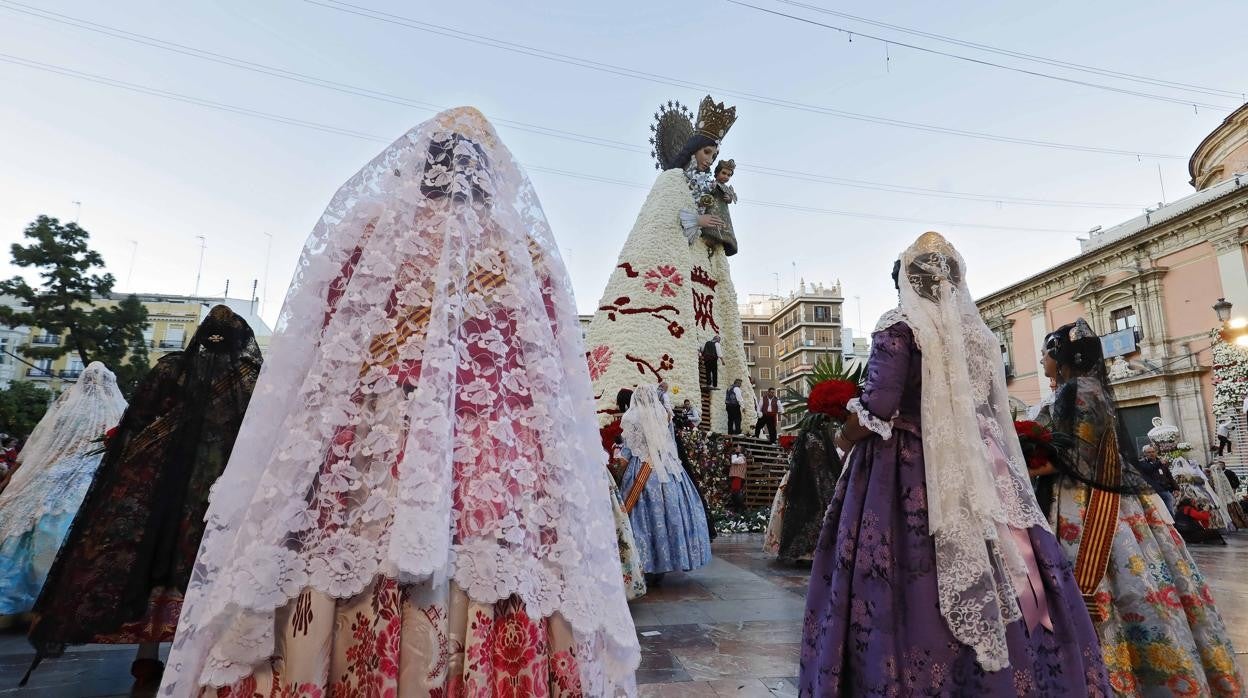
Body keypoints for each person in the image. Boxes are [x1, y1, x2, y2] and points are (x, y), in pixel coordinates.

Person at [157, 109, 639, 697]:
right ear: (492, 178)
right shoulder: (526, 254)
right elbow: (551, 381)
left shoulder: (373, 233)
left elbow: (320, 349)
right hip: (495, 458)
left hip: (375, 444)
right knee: (496, 576)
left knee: (349, 565)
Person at [801, 233, 1109, 695]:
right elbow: (986, 406)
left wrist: (844, 433)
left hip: (902, 467)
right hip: (982, 466)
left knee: (906, 572)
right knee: (1007, 563)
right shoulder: (979, 337)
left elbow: (880, 404)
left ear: (906, 281)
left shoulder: (899, 327)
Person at [25, 307, 261, 687]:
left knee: (156, 566)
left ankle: (147, 657)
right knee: (207, 566)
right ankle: (202, 657)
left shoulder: (172, 370)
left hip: (165, 489)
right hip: (218, 490)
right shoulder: (248, 379)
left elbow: (136, 424)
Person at [1038, 318, 1243, 695]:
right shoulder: (1094, 388)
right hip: (1121, 502)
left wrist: (1022, 459)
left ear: (1061, 355)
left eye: (1046, 354)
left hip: (1085, 505)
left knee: (1101, 586)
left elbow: (1077, 460)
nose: (1042, 362)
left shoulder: (1075, 391)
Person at [582, 95, 755, 434]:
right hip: (675, 282)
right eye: (707, 153)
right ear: (692, 149)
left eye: (714, 155)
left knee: (712, 372)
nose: (710, 160)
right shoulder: (673, 180)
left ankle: (719, 422)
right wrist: (698, 221)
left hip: (704, 283)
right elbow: (663, 221)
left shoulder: (708, 187)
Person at [0, 363, 126, 617]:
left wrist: (19, 477)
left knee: (28, 525)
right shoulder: (117, 411)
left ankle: (16, 598)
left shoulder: (67, 409)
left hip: (54, 471)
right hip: (90, 474)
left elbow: (42, 446)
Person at [618, 384, 712, 586]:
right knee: (671, 514)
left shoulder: (631, 417)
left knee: (640, 518)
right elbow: (670, 444)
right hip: (667, 470)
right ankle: (665, 562)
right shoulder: (663, 414)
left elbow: (628, 449)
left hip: (641, 469)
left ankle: (645, 564)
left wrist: (616, 469)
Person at [1135, 444, 1178, 513]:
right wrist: (1159, 463)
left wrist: (1176, 488)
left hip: (1164, 489)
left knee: (1170, 509)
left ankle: (1172, 521)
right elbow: (1148, 469)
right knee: (1159, 510)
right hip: (1153, 491)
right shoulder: (1142, 463)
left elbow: (1169, 476)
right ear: (1145, 454)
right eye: (1149, 452)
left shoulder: (1161, 463)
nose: (1151, 454)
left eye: (1153, 452)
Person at [728, 445, 748, 512]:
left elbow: (734, 461)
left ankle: (741, 508)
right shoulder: (739, 456)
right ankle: (738, 508)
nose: (736, 448)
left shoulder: (742, 458)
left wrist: (733, 454)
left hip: (738, 477)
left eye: (738, 448)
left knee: (736, 492)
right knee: (734, 492)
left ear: (740, 450)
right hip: (735, 476)